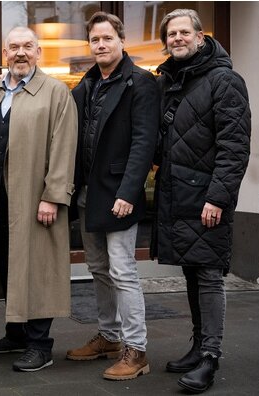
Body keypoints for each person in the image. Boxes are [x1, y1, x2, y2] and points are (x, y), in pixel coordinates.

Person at [151, 8, 251, 394]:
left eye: (182, 32)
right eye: (170, 34)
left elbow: (234, 147)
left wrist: (218, 198)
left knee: (208, 274)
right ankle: (197, 347)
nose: (176, 38)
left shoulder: (224, 80)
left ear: (199, 35)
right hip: (178, 193)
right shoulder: (171, 80)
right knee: (192, 271)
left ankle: (210, 356)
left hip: (206, 198)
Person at [0, 26, 78, 372]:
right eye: (14, 47)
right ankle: (15, 333)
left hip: (36, 199)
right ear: (5, 54)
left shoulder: (55, 92)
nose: (20, 53)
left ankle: (40, 344)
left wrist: (53, 196)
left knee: (38, 270)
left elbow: (63, 148)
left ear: (38, 52)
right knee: (9, 265)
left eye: (27, 47)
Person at [65, 12, 159, 381]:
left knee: (123, 271)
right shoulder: (86, 84)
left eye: (107, 38)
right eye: (95, 40)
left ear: (122, 41)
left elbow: (144, 142)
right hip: (89, 191)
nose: (100, 45)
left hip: (120, 193)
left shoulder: (141, 82)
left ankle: (136, 350)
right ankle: (108, 335)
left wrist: (130, 192)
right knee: (98, 269)